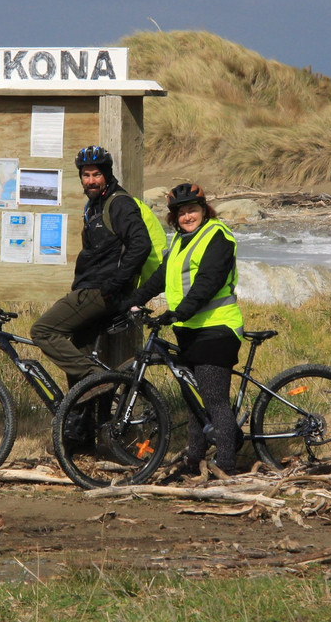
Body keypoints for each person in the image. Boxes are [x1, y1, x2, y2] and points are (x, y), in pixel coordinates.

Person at [124, 182, 244, 477]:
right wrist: (134, 301)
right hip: (188, 329)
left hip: (216, 329)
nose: (187, 216)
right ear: (174, 217)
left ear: (204, 210)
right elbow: (160, 277)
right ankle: (195, 462)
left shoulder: (217, 237)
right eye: (181, 212)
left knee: (214, 401)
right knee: (194, 402)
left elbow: (208, 282)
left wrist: (178, 312)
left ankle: (227, 468)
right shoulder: (179, 241)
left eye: (193, 209)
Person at [30, 145, 153, 388]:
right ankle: (85, 420)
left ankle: (96, 379)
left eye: (96, 174)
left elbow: (141, 244)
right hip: (92, 288)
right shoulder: (93, 206)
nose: (91, 181)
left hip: (100, 291)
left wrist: (115, 283)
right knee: (78, 353)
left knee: (42, 331)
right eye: (86, 175)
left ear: (106, 174)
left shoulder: (119, 204)